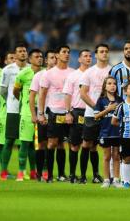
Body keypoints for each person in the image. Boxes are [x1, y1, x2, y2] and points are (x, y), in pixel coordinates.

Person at [38, 45, 74, 183]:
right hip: (54, 111)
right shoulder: (49, 73)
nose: (67, 54)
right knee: (52, 143)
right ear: (57, 55)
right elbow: (42, 95)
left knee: (62, 144)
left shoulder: (73, 72)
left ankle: (61, 174)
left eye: (68, 52)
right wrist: (41, 113)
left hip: (68, 113)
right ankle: (49, 174)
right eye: (64, 52)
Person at [79, 44, 112, 184]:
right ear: (96, 55)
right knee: (87, 144)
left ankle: (98, 175)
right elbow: (83, 93)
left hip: (109, 115)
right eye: (101, 52)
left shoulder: (113, 71)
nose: (104, 54)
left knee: (105, 146)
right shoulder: (89, 72)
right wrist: (97, 107)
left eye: (106, 51)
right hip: (91, 114)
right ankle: (82, 176)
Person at [0, 43, 29, 180]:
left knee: (26, 141)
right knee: (9, 140)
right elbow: (3, 91)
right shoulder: (7, 70)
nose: (22, 53)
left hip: (26, 110)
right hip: (13, 109)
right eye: (20, 51)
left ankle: (24, 171)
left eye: (24, 51)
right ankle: (3, 171)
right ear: (15, 54)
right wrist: (11, 101)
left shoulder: (31, 69)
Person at [13, 49, 43, 181]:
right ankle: (21, 172)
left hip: (42, 111)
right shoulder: (23, 74)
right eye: (37, 57)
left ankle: (34, 172)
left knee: (37, 144)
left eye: (41, 57)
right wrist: (25, 101)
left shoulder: (45, 73)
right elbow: (16, 91)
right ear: (30, 59)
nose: (40, 59)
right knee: (25, 143)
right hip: (26, 112)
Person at [63, 49, 92, 183]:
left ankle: (83, 175)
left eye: (90, 56)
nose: (88, 58)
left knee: (87, 144)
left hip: (90, 113)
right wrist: (68, 112)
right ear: (79, 59)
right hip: (77, 111)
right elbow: (68, 95)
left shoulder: (94, 74)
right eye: (85, 56)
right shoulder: (73, 76)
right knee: (74, 145)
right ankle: (72, 174)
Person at [30, 50, 56, 181]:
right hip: (43, 114)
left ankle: (50, 173)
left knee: (54, 144)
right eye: (51, 57)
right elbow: (32, 96)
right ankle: (39, 172)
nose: (54, 60)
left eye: (56, 57)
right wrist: (35, 114)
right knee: (41, 144)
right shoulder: (39, 75)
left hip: (57, 115)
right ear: (46, 61)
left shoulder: (60, 76)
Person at [94, 76, 122, 188]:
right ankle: (106, 179)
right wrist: (108, 110)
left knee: (116, 156)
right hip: (105, 132)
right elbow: (96, 116)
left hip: (117, 132)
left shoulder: (120, 100)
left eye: (114, 83)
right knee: (106, 156)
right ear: (105, 86)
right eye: (109, 83)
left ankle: (116, 179)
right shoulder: (101, 100)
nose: (112, 86)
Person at [112, 81, 130, 189]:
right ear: (125, 91)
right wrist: (123, 125)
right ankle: (126, 181)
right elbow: (113, 121)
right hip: (125, 136)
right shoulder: (121, 106)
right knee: (126, 158)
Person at [0, 52, 15, 180]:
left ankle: (4, 170)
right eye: (11, 58)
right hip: (4, 113)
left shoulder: (20, 74)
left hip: (16, 113)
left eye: (15, 58)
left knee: (10, 142)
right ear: (5, 61)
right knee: (0, 143)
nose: (13, 60)